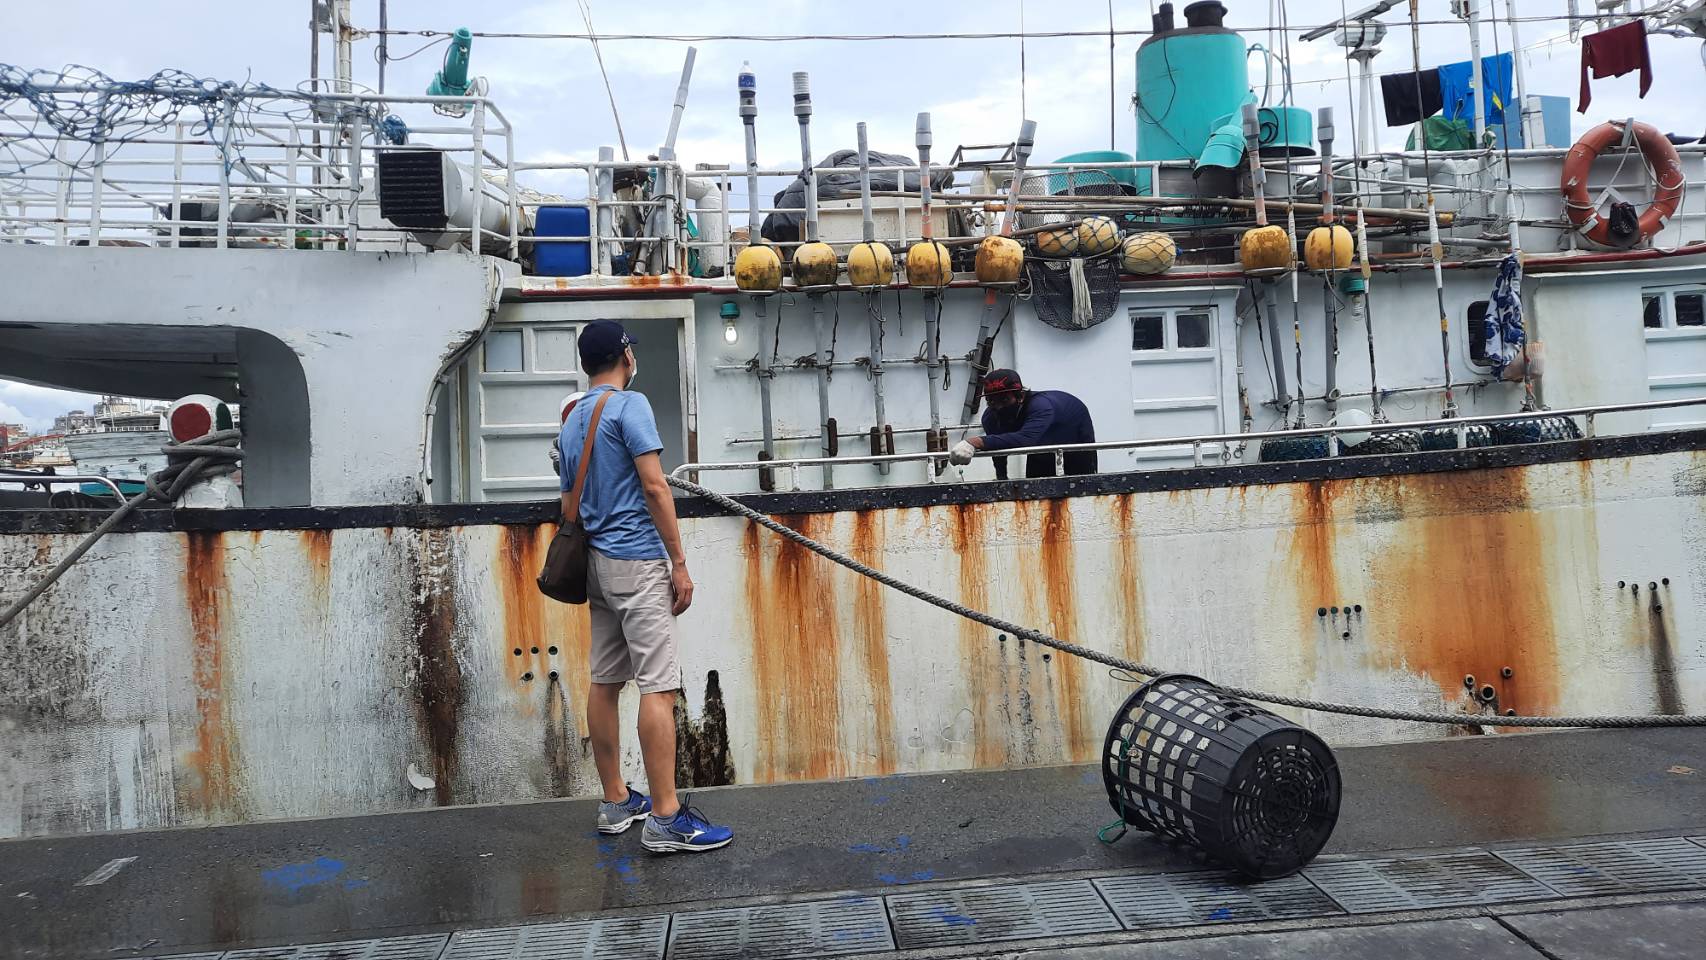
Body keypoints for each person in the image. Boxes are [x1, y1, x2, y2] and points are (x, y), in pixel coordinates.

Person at [557, 319, 732, 854]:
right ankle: (666, 816)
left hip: (597, 567)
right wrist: (678, 561)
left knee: (605, 680)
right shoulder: (631, 407)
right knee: (658, 684)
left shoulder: (571, 419)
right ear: (625, 355)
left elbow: (569, 508)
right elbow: (656, 486)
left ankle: (616, 800)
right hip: (637, 561)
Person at [949, 368, 1097, 479]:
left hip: (1075, 442)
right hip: (1039, 449)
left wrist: (975, 442)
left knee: (1081, 485)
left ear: (1020, 396)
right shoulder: (990, 416)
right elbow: (999, 451)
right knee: (1036, 489)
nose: (998, 406)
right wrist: (1002, 481)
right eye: (992, 401)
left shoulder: (1041, 406)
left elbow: (1025, 439)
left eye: (1005, 400)